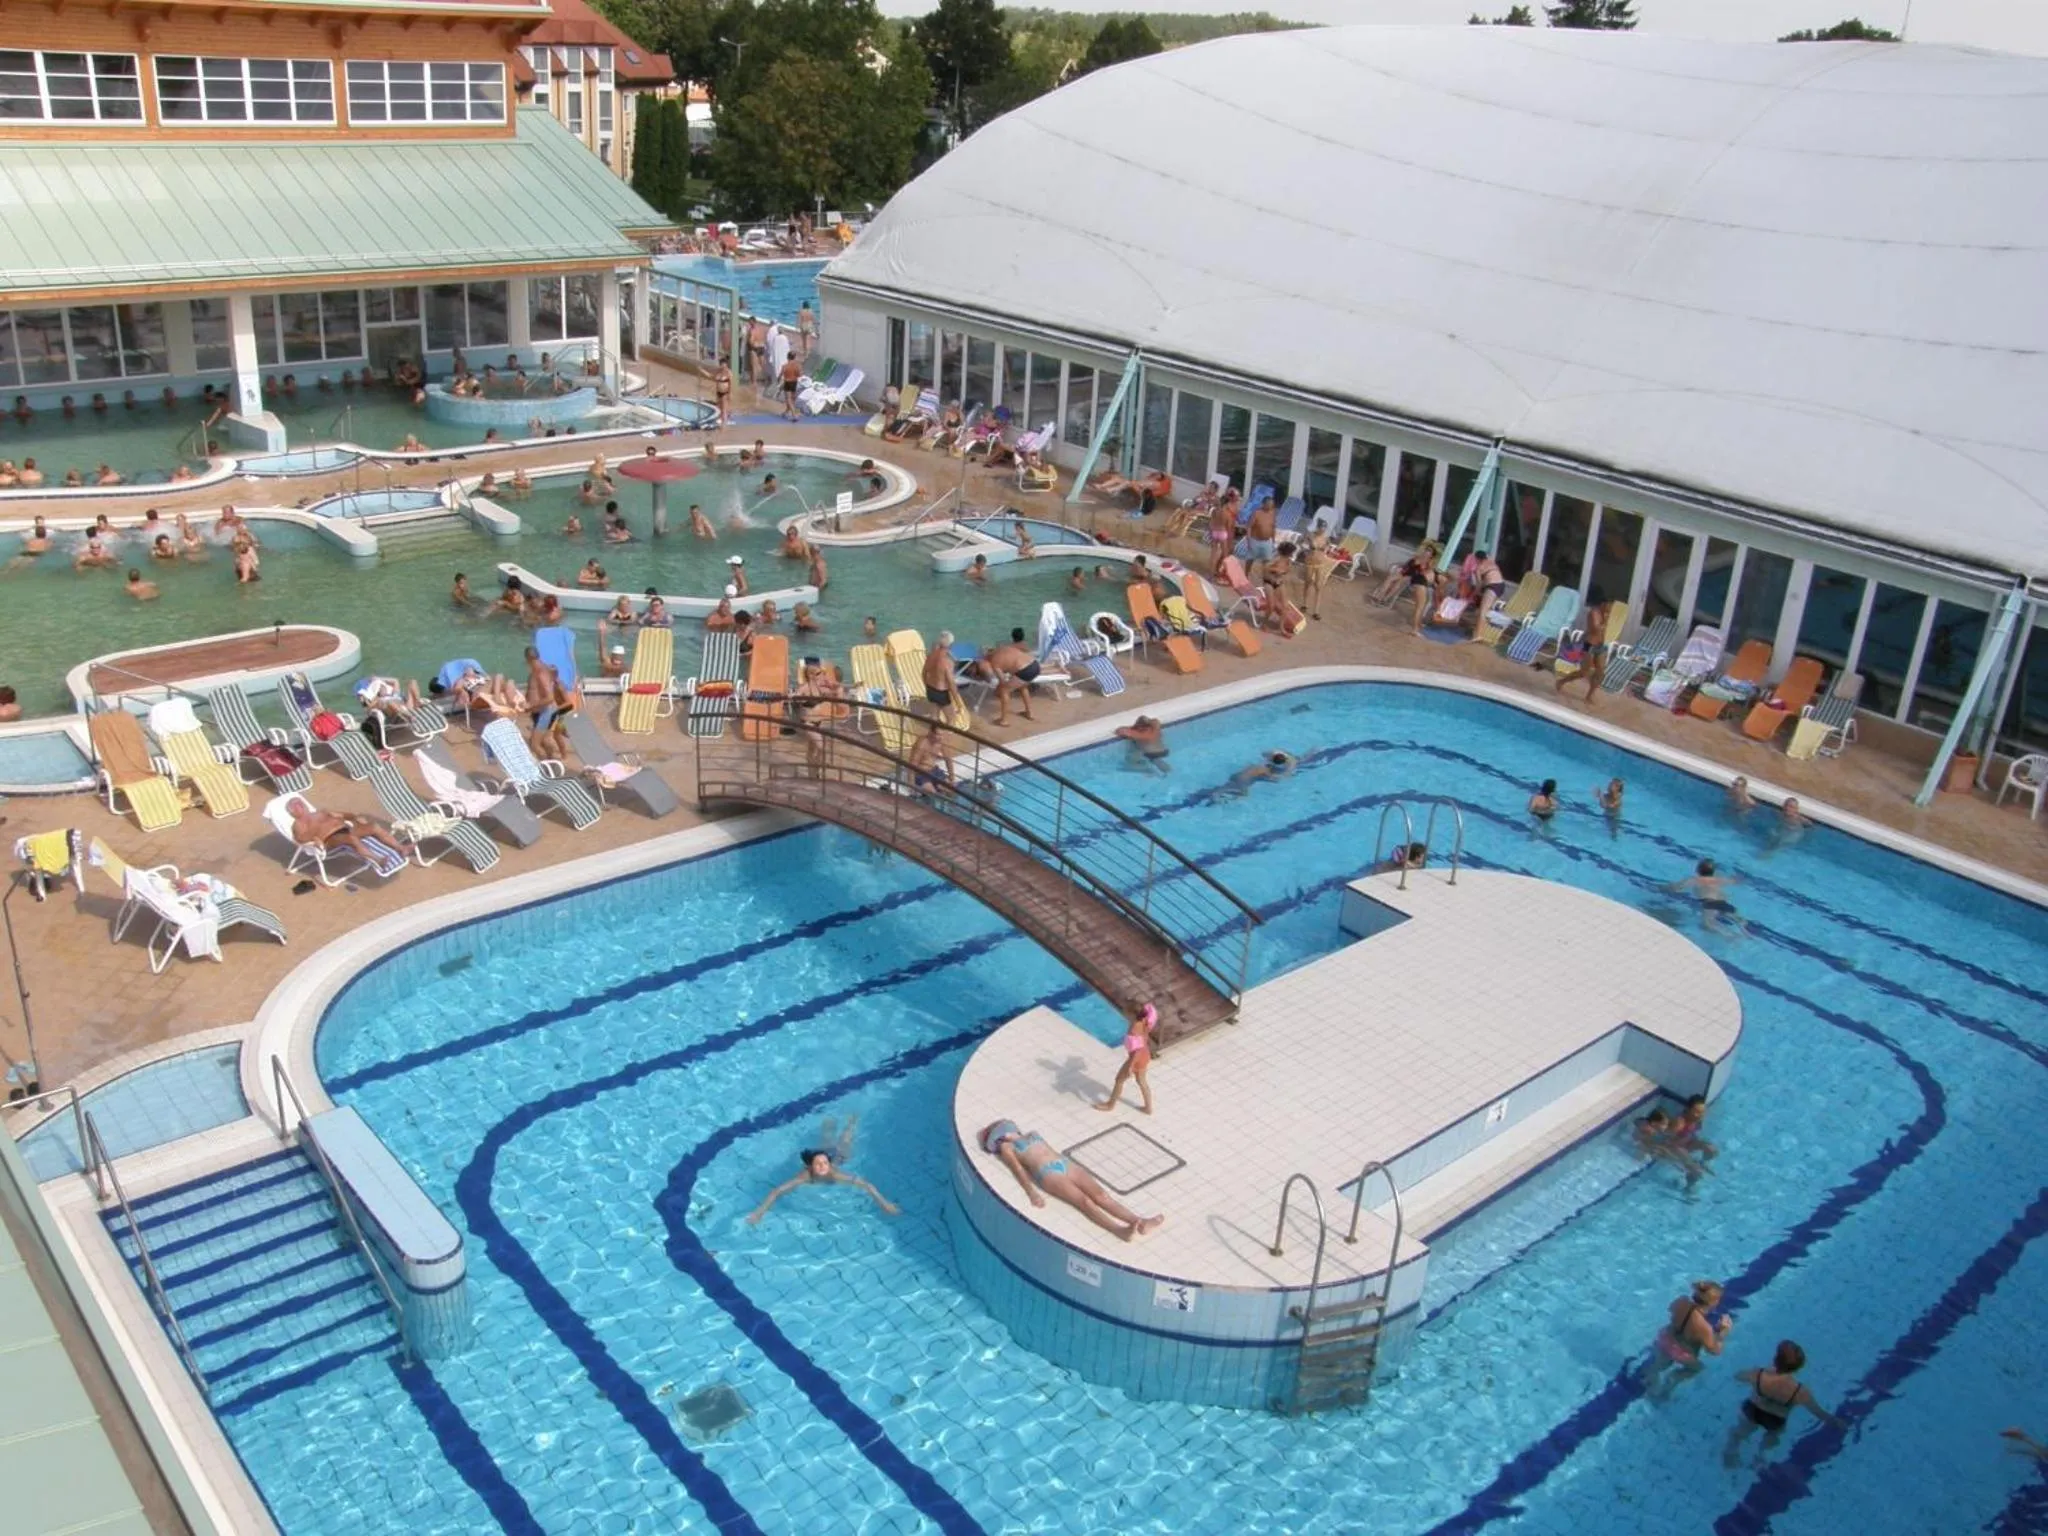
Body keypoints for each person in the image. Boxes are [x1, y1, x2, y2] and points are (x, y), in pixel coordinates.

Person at [980, 1120, 1163, 1240]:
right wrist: (1032, 1192)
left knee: (1101, 1195)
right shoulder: (1007, 1148)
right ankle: (1118, 1230)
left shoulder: (1032, 1134)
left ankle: (1139, 1221)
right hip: (1048, 1174)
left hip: (1064, 1164)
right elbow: (1018, 1169)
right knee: (1084, 1202)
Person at [1725, 1342, 1843, 1465]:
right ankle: (1760, 1457)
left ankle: (1729, 1454)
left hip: (1753, 1410)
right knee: (1771, 1439)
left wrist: (1762, 1372)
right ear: (1798, 1368)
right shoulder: (1800, 1392)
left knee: (1739, 1433)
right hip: (1775, 1419)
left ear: (1775, 1359)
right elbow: (1819, 1413)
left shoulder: (1758, 1375)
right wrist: (1836, 1421)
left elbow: (1738, 1376)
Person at [747, 1132, 899, 1224]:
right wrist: (759, 1213)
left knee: (845, 1147)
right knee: (828, 1141)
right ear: (810, 1167)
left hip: (838, 1158)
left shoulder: (835, 1174)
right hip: (827, 1159)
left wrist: (883, 1204)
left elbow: (867, 1185)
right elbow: (776, 1191)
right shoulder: (804, 1177)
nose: (822, 1167)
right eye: (818, 1164)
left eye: (825, 1164)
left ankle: (851, 1124)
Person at [1644, 1279, 1733, 1395]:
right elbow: (1714, 1351)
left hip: (1665, 1338)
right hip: (1682, 1353)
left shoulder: (1681, 1301)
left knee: (1661, 1363)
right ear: (1713, 1302)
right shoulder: (1704, 1327)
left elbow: (1671, 1309)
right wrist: (1722, 1333)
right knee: (1697, 1368)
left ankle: (1651, 1375)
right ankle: (1673, 1378)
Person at [285, 797, 403, 874]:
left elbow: (345, 815)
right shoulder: (298, 824)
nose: (301, 806)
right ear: (293, 813)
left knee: (374, 827)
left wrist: (355, 817)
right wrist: (315, 838)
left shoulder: (322, 812)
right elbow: (300, 839)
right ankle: (378, 860)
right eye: (296, 806)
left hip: (346, 828)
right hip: (330, 839)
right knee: (351, 839)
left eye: (300, 803)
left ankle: (401, 848)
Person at [1096, 1000, 1158, 1114]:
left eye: (1126, 1011)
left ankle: (1110, 1105)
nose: (1124, 1013)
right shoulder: (1145, 1020)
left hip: (1137, 1057)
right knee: (1141, 1081)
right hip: (1145, 1054)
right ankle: (1148, 1108)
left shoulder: (1134, 1029)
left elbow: (1136, 1051)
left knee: (1119, 1080)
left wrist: (1130, 1066)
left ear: (1132, 1014)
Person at [971, 632, 1040, 726]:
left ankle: (1004, 720)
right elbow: (1011, 663)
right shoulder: (1002, 649)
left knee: (1004, 691)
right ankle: (1029, 713)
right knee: (1023, 687)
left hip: (1025, 670)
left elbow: (1003, 681)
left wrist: (998, 690)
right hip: (1035, 665)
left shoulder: (994, 663)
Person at [1671, 858, 1747, 936]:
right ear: (1713, 872)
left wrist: (1668, 888)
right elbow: (1735, 881)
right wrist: (1738, 878)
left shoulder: (1694, 880)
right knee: (1736, 918)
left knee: (1709, 923)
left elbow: (1676, 888)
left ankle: (1731, 936)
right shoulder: (1720, 880)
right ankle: (1745, 931)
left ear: (1697, 870)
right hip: (1724, 903)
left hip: (1710, 903)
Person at [1557, 597, 1611, 698]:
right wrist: (1605, 621)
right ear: (1603, 604)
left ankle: (1589, 696)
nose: (1610, 609)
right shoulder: (1594, 613)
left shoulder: (1605, 614)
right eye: (1609, 606)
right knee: (1583, 672)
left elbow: (1602, 633)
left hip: (1600, 646)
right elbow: (1595, 629)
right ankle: (1562, 681)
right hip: (1587, 644)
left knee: (1600, 673)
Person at [907, 712, 955, 796]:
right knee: (933, 794)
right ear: (931, 732)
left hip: (934, 771)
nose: (940, 737)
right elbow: (912, 765)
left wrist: (952, 778)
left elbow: (948, 760)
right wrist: (911, 785)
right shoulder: (922, 743)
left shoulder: (940, 742)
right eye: (938, 734)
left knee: (951, 791)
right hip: (921, 774)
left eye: (942, 735)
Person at [1222, 751, 1296, 798]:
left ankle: (1218, 792)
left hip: (1236, 775)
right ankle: (1223, 799)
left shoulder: (1259, 765)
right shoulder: (1266, 770)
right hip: (1243, 781)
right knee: (1244, 795)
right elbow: (1273, 779)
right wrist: (1287, 776)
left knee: (1226, 786)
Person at [923, 632, 958, 712]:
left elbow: (924, 673)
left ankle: (934, 724)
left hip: (930, 689)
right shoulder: (947, 660)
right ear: (951, 645)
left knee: (934, 716)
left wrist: (927, 686)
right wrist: (958, 702)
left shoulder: (931, 655)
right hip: (941, 693)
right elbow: (951, 683)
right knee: (951, 719)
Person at [778, 354, 803, 420]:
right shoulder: (797, 366)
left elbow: (780, 375)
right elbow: (800, 375)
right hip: (794, 382)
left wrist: (778, 380)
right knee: (792, 399)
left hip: (787, 382)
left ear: (787, 357)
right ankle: (786, 412)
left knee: (789, 399)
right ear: (794, 357)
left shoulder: (785, 366)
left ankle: (794, 415)